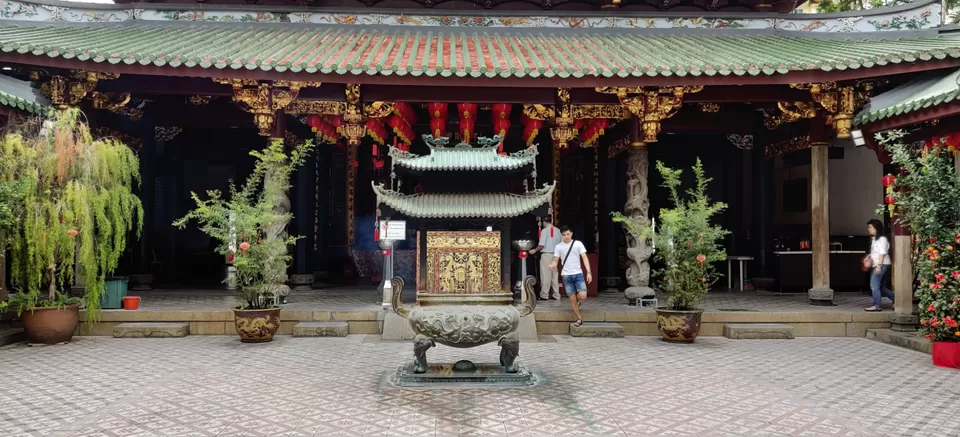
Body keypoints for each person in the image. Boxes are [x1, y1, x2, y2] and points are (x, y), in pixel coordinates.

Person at [550, 226, 592, 327]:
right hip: (566, 275)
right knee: (572, 298)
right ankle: (579, 318)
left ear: (571, 234)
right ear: (561, 235)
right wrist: (552, 265)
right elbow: (556, 260)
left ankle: (578, 302)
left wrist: (589, 272)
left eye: (568, 234)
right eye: (564, 235)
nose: (566, 236)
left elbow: (584, 258)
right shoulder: (558, 247)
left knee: (583, 295)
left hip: (578, 273)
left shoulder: (578, 244)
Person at [864, 219, 895, 312]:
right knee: (880, 287)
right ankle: (896, 299)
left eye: (870, 227)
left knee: (874, 285)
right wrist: (868, 256)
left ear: (876, 228)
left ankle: (876, 305)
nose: (868, 229)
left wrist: (878, 266)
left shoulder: (882, 239)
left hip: (881, 264)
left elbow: (882, 253)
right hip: (877, 264)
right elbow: (876, 252)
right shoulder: (875, 238)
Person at [529, 216, 562, 300]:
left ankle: (544, 294)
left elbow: (542, 244)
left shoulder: (544, 231)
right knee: (554, 275)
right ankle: (556, 294)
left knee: (546, 275)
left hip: (547, 254)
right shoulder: (558, 230)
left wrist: (535, 250)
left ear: (544, 222)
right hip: (555, 255)